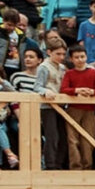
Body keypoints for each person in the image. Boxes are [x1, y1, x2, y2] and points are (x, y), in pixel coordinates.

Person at [60, 48, 95, 170]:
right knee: (73, 139)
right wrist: (76, 90)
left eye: (82, 56)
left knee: (88, 138)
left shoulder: (93, 73)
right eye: (77, 57)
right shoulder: (69, 74)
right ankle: (75, 167)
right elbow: (64, 89)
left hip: (89, 109)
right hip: (73, 109)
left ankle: (87, 166)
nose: (80, 60)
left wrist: (92, 92)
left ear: (86, 57)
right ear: (71, 59)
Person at [34, 42, 68, 170]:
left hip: (61, 104)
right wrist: (45, 91)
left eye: (63, 54)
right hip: (47, 105)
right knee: (52, 136)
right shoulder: (44, 67)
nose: (61, 57)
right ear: (49, 52)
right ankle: (50, 164)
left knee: (63, 136)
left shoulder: (62, 68)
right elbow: (37, 86)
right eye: (58, 54)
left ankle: (59, 163)